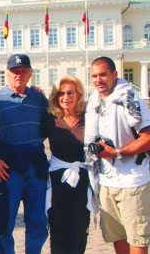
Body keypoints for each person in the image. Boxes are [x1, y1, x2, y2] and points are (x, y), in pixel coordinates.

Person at [85, 56, 150, 254]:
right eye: (94, 76)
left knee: (137, 240)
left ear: (114, 74)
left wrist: (118, 152)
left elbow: (147, 137)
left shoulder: (129, 99)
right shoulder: (95, 101)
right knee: (118, 238)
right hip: (107, 182)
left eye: (103, 74)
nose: (99, 80)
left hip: (133, 182)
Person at [0, 54, 49, 254]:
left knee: (37, 220)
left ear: (30, 73)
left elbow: (52, 126)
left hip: (35, 166)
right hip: (8, 168)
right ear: (7, 74)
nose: (19, 75)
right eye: (15, 71)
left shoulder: (39, 98)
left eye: (23, 71)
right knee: (5, 220)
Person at [42, 75, 94, 254]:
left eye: (70, 92)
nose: (66, 97)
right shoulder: (50, 119)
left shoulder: (89, 117)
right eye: (61, 93)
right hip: (58, 181)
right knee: (57, 229)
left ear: (78, 94)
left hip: (82, 180)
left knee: (79, 229)